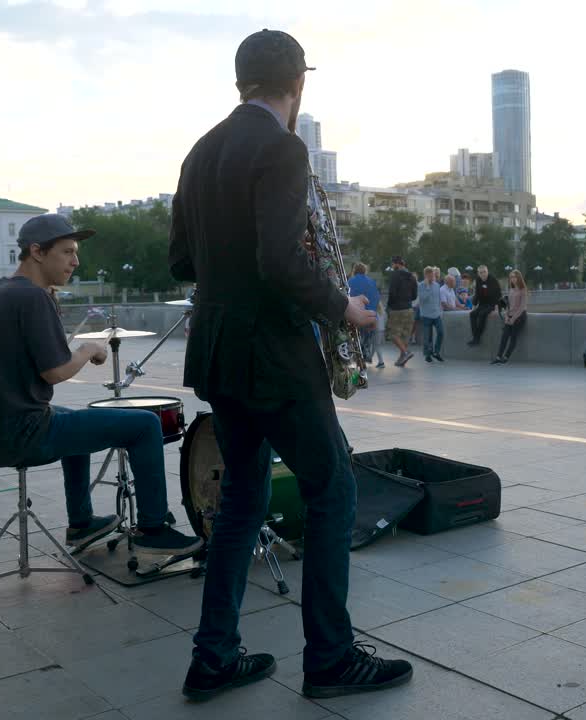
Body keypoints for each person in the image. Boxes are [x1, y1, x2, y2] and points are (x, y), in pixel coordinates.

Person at [167, 29, 412, 703]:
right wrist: (346, 309)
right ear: (297, 84)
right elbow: (279, 261)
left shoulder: (201, 151)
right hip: (274, 355)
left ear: (240, 82)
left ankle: (213, 656)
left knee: (243, 499)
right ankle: (331, 658)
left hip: (217, 351)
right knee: (333, 490)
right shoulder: (281, 146)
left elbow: (182, 262)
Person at [0, 213, 201, 557]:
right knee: (145, 425)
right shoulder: (34, 297)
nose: (75, 262)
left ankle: (81, 523)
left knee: (72, 419)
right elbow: (56, 372)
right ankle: (153, 529)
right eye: (67, 252)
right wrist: (87, 349)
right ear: (37, 252)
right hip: (24, 433)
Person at [346, 262, 380, 367]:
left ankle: (359, 358)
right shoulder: (371, 282)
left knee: (356, 337)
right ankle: (366, 355)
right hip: (370, 315)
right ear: (365, 270)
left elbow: (347, 297)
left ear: (354, 270)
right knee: (369, 337)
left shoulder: (350, 281)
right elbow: (376, 297)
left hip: (356, 315)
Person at [385, 255, 416, 366]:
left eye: (393, 264)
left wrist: (390, 306)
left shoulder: (395, 275)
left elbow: (392, 293)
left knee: (392, 333)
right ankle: (402, 358)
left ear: (396, 264)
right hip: (409, 309)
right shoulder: (412, 276)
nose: (392, 266)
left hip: (397, 309)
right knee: (404, 336)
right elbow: (414, 295)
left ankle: (406, 352)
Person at [493, 269, 528, 364]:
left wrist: (513, 318)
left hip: (520, 317)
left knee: (513, 337)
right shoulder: (511, 289)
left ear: (519, 278)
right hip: (510, 316)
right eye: (511, 277)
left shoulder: (523, 290)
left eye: (514, 277)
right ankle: (498, 357)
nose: (512, 279)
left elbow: (522, 307)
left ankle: (506, 357)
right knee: (504, 336)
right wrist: (507, 316)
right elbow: (509, 305)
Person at [467, 265, 501, 345]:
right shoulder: (478, 280)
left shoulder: (493, 280)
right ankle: (475, 336)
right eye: (481, 272)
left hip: (491, 304)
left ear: (487, 272)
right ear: (478, 273)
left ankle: (477, 338)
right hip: (483, 303)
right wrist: (474, 306)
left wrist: (496, 309)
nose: (483, 274)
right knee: (472, 314)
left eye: (484, 272)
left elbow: (498, 294)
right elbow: (477, 294)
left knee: (482, 315)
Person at [417, 266, 445, 362]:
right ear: (426, 275)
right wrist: (428, 286)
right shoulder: (421, 285)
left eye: (433, 275)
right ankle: (428, 355)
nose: (432, 277)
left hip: (436, 314)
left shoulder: (437, 285)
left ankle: (436, 352)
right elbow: (422, 299)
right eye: (430, 275)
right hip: (426, 315)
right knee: (427, 337)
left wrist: (440, 311)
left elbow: (438, 299)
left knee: (441, 332)